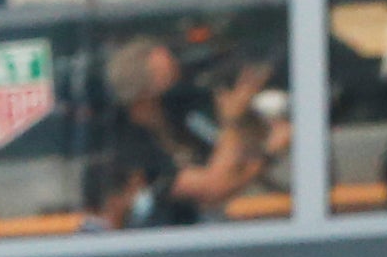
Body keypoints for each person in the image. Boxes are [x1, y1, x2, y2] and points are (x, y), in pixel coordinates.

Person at [87, 36, 279, 225]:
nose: (182, 84)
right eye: (171, 79)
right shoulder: (134, 149)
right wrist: (234, 123)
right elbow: (214, 187)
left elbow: (233, 164)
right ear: (145, 94)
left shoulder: (179, 115)